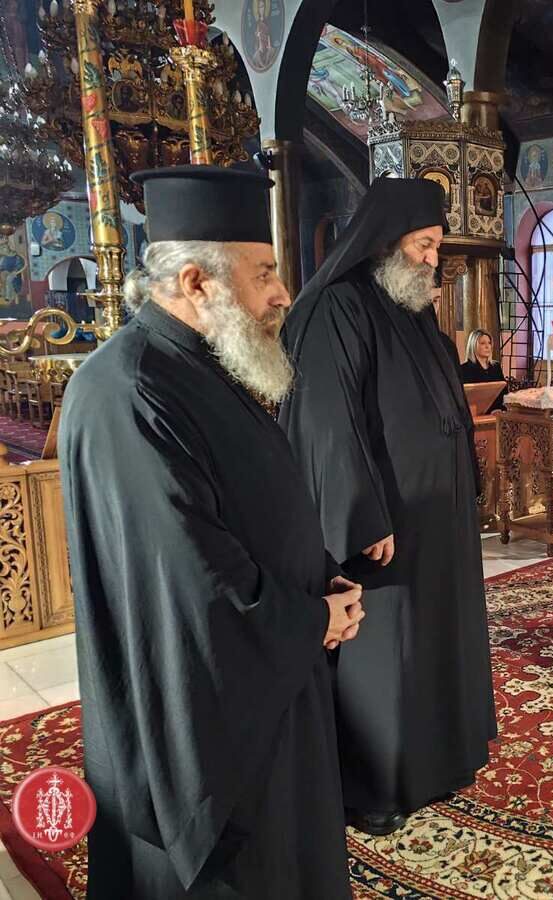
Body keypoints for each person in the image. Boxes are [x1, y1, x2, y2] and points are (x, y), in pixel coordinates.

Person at [60, 165, 363, 899]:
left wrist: (319, 572)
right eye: (264, 274)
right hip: (206, 719)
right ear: (197, 282)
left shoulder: (204, 366)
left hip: (269, 672)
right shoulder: (131, 391)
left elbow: (250, 506)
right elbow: (188, 582)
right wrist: (311, 618)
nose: (283, 294)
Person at [280, 176, 496, 837]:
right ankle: (374, 786)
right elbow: (327, 420)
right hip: (386, 526)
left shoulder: (413, 310)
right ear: (384, 241)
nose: (434, 258)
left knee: (434, 640)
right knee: (384, 651)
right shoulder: (338, 307)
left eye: (436, 246)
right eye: (423, 244)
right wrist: (362, 514)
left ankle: (437, 761)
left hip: (437, 518)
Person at [460, 328, 507, 412]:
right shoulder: (464, 369)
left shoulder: (496, 366)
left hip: (497, 412)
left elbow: (504, 392)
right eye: (482, 343)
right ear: (473, 345)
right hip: (475, 413)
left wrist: (501, 410)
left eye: (489, 343)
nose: (487, 346)